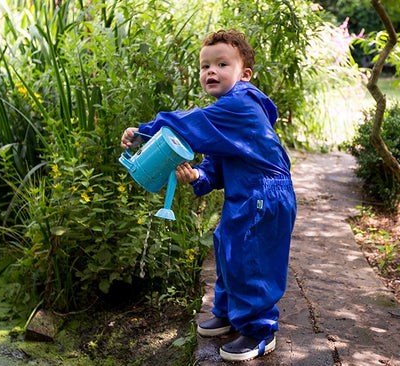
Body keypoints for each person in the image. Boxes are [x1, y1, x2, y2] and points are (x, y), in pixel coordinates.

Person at [121, 29, 296, 362]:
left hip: (265, 196)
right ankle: (229, 312)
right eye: (205, 66)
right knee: (227, 245)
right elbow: (214, 166)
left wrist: (145, 130)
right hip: (247, 195)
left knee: (251, 259)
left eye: (221, 64)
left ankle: (259, 331)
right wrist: (197, 175)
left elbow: (191, 124)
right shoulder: (227, 116)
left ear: (244, 74)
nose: (210, 71)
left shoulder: (240, 103)